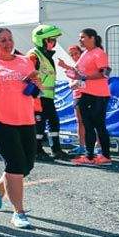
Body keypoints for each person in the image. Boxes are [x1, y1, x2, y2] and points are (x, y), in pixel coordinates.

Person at [0, 28, 40, 229]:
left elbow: (34, 92)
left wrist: (36, 84)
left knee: (27, 165)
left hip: (26, 119)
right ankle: (18, 212)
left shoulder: (25, 61)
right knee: (15, 164)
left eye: (10, 39)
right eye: (2, 40)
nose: (7, 43)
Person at [60, 29, 112, 166]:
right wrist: (67, 68)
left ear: (92, 38)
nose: (80, 40)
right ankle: (90, 156)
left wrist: (84, 78)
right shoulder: (85, 54)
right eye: (80, 37)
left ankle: (104, 156)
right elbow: (78, 72)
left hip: (98, 95)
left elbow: (105, 73)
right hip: (85, 94)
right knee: (88, 126)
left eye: (83, 37)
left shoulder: (99, 53)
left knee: (99, 126)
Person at [27, 25, 67, 160]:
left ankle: (56, 150)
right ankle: (36, 150)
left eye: (54, 40)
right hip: (38, 97)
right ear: (41, 40)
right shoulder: (34, 55)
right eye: (50, 40)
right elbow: (28, 76)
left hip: (48, 97)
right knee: (39, 124)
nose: (53, 43)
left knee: (54, 122)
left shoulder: (46, 55)